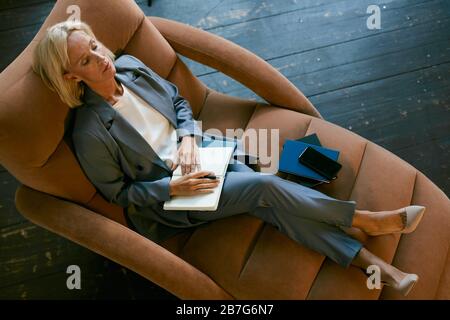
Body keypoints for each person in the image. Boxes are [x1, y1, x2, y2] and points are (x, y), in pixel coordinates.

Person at [32, 20, 426, 297]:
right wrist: (172, 185)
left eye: (95, 46)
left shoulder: (130, 67)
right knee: (265, 185)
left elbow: (178, 102)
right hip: (175, 196)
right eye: (85, 61)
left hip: (204, 154)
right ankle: (367, 221)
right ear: (72, 78)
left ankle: (374, 266)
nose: (100, 59)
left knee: (273, 205)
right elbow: (119, 193)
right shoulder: (89, 131)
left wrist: (186, 138)